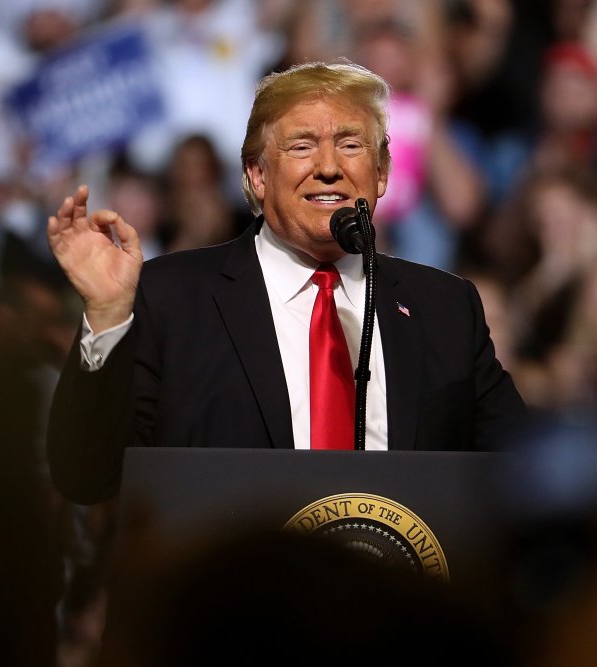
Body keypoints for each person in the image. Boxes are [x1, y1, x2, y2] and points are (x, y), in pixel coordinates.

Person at [46, 61, 526, 504]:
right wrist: (108, 316)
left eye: (351, 144)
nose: (329, 166)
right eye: (301, 146)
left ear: (381, 173)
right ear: (256, 175)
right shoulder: (172, 297)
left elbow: (522, 468)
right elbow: (87, 475)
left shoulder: (443, 307)